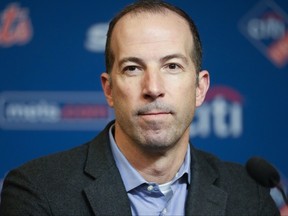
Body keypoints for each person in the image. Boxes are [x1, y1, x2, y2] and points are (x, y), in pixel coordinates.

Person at [0, 0, 280, 215]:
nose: (153, 87)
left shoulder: (250, 196)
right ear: (108, 89)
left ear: (200, 87)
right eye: (133, 68)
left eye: (172, 66)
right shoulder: (37, 190)